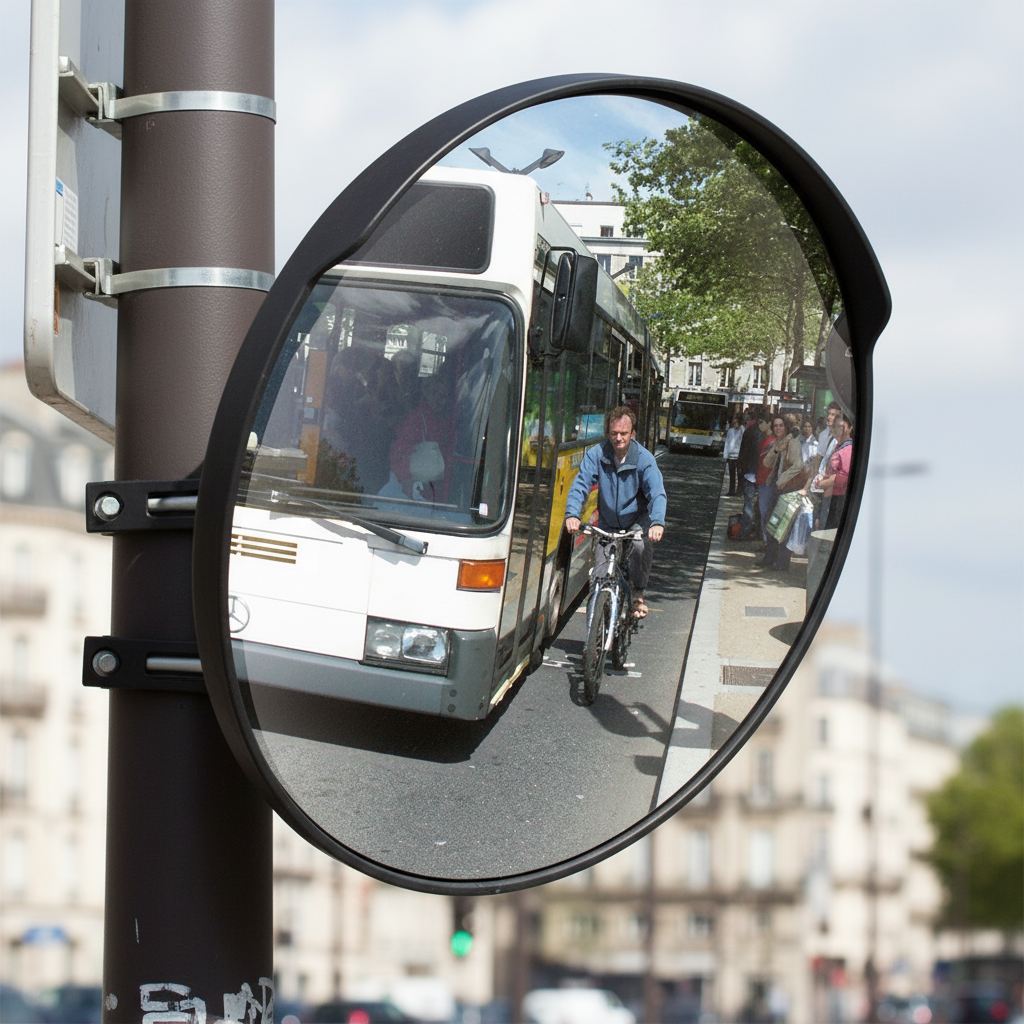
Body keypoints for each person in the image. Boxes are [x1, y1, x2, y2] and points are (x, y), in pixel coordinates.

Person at [564, 405, 667, 619]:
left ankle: (638, 593)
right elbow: (580, 485)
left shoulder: (644, 459)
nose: (618, 438)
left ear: (633, 434)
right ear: (608, 433)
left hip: (636, 522)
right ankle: (593, 638)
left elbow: (657, 493)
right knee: (599, 580)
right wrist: (572, 514)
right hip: (608, 523)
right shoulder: (597, 454)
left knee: (640, 546)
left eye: (623, 433)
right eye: (614, 433)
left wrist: (657, 522)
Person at [762, 415, 805, 570]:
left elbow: (798, 465)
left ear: (786, 427)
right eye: (775, 426)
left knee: (783, 525)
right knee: (771, 522)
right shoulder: (781, 443)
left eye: (781, 425)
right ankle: (771, 557)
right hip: (778, 489)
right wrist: (775, 450)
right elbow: (766, 462)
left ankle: (780, 563)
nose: (777, 428)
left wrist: (782, 481)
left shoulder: (792, 443)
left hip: (787, 490)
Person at [820, 411, 854, 529]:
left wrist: (823, 483)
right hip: (830, 497)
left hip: (838, 499)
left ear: (849, 429)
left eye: (842, 427)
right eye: (837, 427)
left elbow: (842, 477)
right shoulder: (839, 446)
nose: (840, 430)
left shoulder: (848, 449)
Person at [736, 410, 766, 539]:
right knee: (759, 504)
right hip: (758, 474)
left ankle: (745, 531)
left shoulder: (749, 431)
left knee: (748, 503)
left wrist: (741, 470)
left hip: (749, 473)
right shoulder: (762, 435)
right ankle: (757, 531)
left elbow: (742, 452)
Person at [723, 414, 744, 495]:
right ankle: (731, 491)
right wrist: (726, 455)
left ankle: (739, 491)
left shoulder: (741, 429)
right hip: (731, 456)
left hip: (738, 456)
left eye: (736, 422)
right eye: (734, 422)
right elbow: (727, 443)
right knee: (732, 475)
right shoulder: (730, 431)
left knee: (739, 475)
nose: (735, 424)